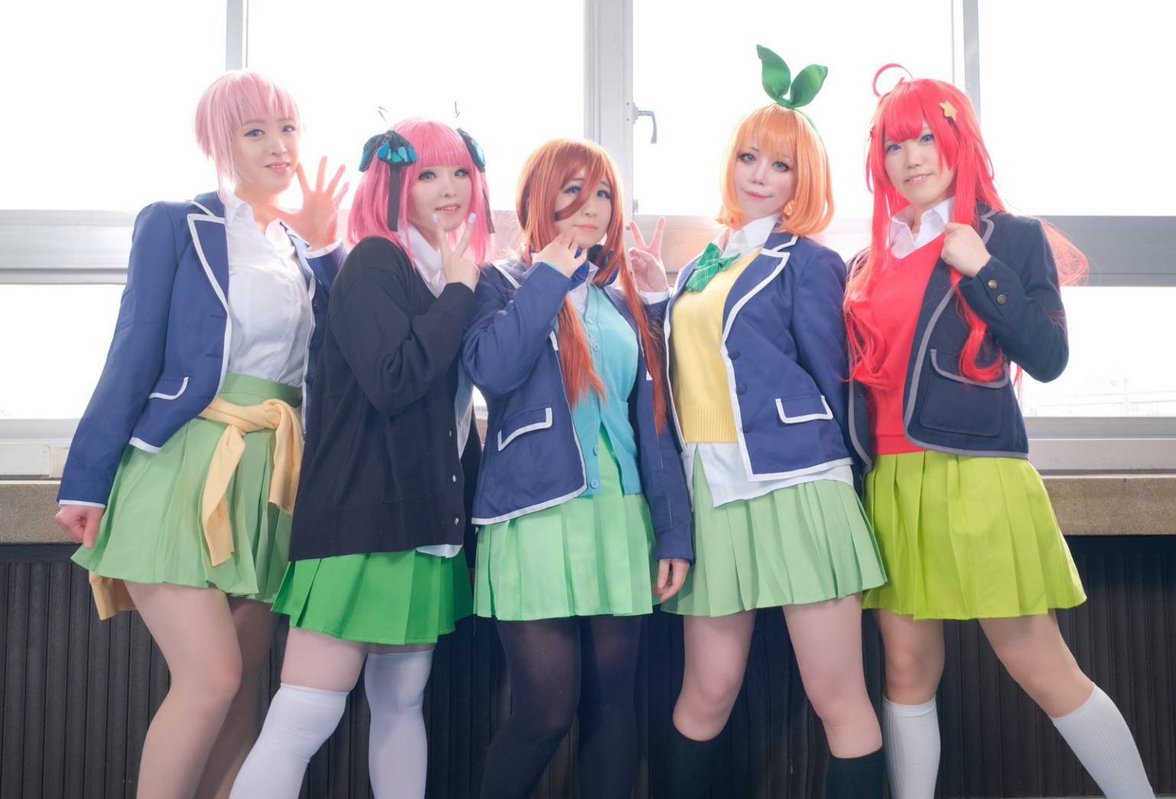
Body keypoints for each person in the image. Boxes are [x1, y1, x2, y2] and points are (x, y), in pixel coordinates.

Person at [843, 70, 1154, 798]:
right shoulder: (867, 259)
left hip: (977, 474)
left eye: (927, 137)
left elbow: (1048, 357)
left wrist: (983, 270)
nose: (912, 158)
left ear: (960, 142)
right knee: (905, 670)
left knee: (1039, 664)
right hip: (888, 479)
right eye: (895, 145)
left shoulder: (1008, 237)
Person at [54, 70, 346, 798]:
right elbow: (131, 352)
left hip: (271, 478)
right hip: (183, 465)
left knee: (241, 689)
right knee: (211, 679)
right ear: (221, 143)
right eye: (255, 132)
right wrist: (86, 481)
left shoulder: (301, 249)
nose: (278, 146)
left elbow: (347, 350)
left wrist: (326, 247)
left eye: (287, 129)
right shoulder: (177, 223)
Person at [643, 49, 888, 799]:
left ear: (802, 181)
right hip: (711, 492)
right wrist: (654, 302)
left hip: (797, 486)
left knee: (836, 695)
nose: (759, 175)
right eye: (749, 156)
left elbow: (834, 378)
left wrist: (853, 478)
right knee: (707, 690)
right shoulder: (701, 263)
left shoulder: (808, 262)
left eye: (781, 165)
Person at [229, 119, 491, 799]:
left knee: (402, 705)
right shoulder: (378, 260)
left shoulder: (438, 270)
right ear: (393, 183)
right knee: (305, 713)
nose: (449, 188)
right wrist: (460, 292)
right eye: (427, 174)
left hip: (421, 525)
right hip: (363, 522)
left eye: (460, 173)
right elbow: (394, 378)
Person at [462, 138, 692, 799]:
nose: (593, 207)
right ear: (540, 197)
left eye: (604, 194)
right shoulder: (499, 282)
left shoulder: (621, 301)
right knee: (544, 710)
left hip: (620, 515)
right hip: (535, 515)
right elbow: (493, 369)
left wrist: (672, 532)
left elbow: (655, 424)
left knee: (614, 705)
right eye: (574, 190)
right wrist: (548, 276)